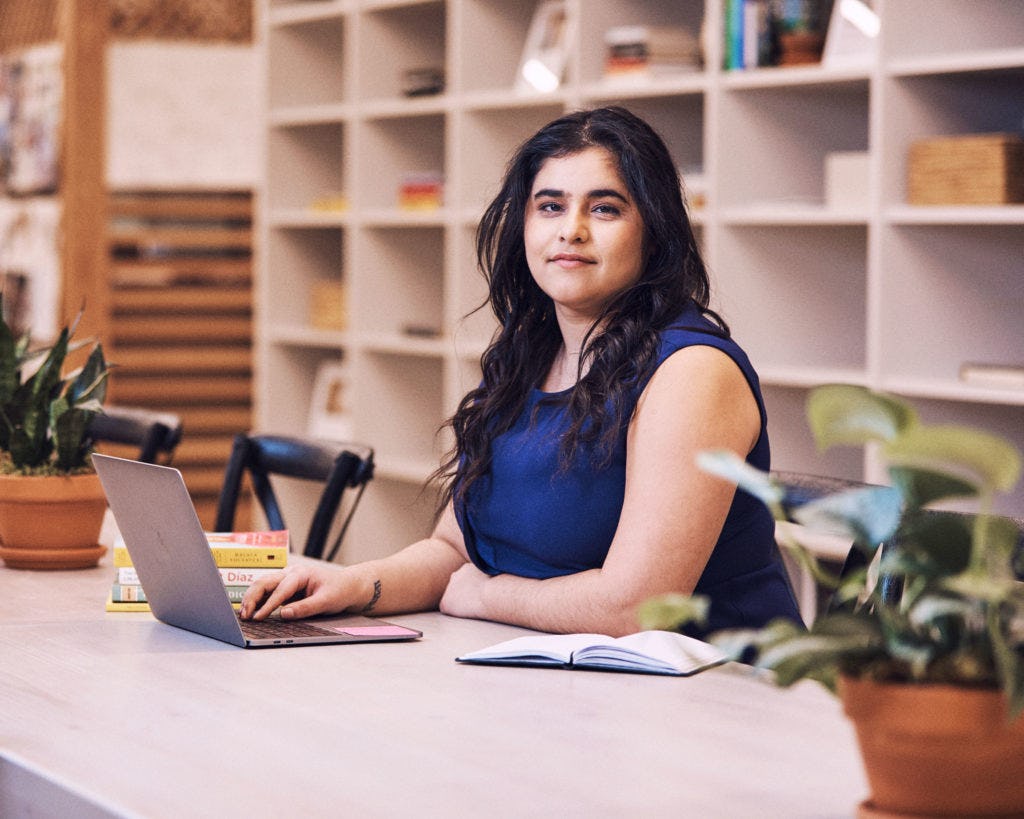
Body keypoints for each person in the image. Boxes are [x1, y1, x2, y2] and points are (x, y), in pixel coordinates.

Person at [240, 106, 802, 638]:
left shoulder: (693, 373)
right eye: (550, 206)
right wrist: (353, 584)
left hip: (718, 696)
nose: (572, 230)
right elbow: (454, 554)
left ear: (653, 232)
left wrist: (488, 597)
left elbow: (636, 608)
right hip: (564, 680)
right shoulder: (526, 359)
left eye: (605, 208)